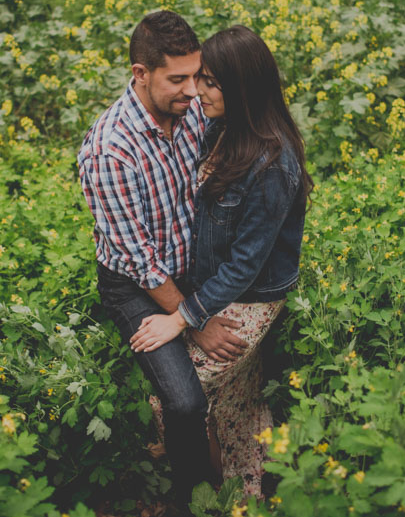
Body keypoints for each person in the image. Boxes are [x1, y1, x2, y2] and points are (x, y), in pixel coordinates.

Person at [77, 11, 250, 512]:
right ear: (140, 74)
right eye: (178, 79)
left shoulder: (190, 107)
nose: (193, 91)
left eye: (197, 76)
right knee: (185, 400)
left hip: (190, 258)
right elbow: (141, 261)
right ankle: (192, 500)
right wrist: (193, 322)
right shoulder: (111, 151)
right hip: (134, 283)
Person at [129, 25, 312, 498]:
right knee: (238, 400)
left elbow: (246, 264)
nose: (197, 91)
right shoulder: (219, 128)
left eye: (210, 81)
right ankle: (247, 487)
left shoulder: (274, 163)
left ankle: (214, 492)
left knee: (172, 399)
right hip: (214, 289)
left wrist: (182, 318)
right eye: (196, 80)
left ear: (242, 86)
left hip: (248, 299)